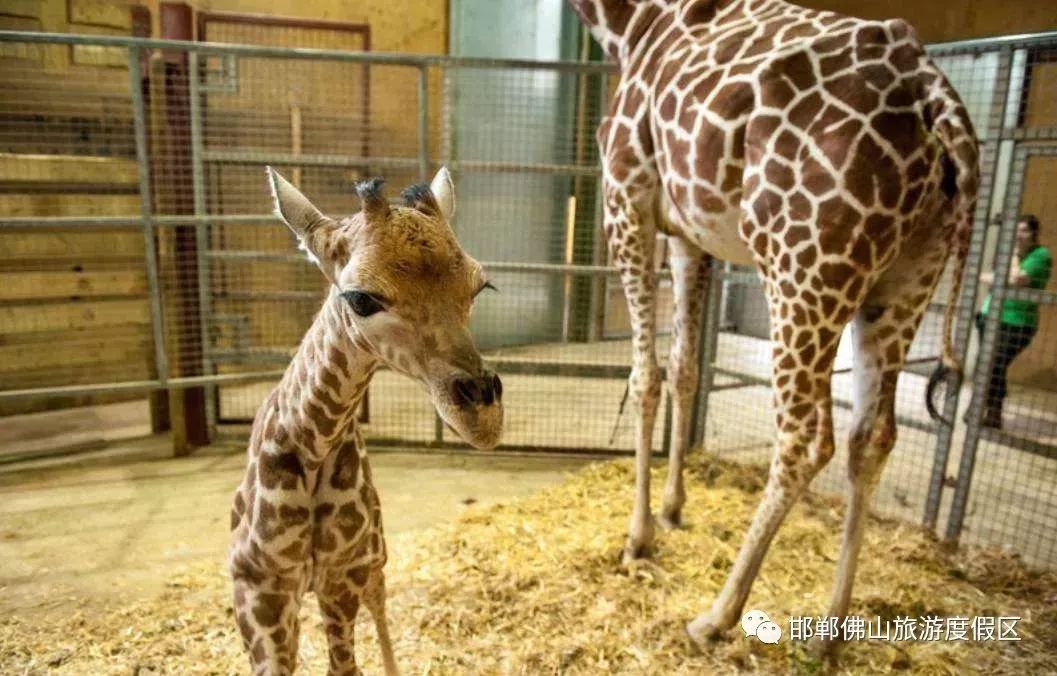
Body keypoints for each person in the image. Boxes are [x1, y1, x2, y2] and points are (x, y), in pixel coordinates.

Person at [975, 214, 1052, 429]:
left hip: (1018, 322)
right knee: (987, 362)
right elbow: (984, 277)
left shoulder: (1041, 255)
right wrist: (1003, 275)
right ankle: (988, 408)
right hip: (989, 314)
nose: (1018, 235)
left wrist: (1012, 260)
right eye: (1016, 230)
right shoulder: (1007, 253)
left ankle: (990, 409)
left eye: (1024, 231)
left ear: (1034, 234)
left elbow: (1019, 279)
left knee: (995, 362)